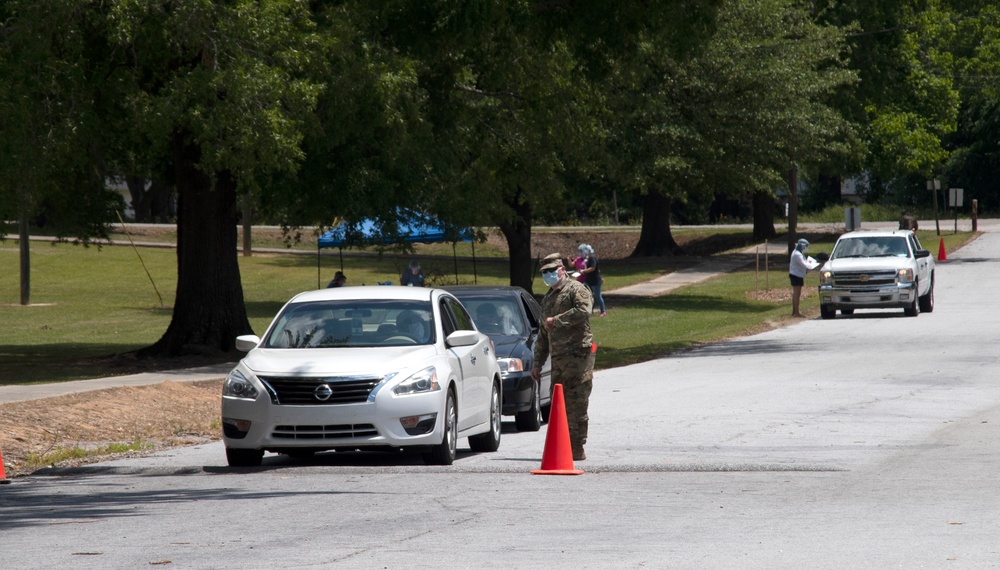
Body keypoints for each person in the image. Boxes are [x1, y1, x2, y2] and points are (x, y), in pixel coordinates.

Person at [530, 254, 595, 461]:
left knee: (576, 404)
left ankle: (576, 447)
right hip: (558, 361)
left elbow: (584, 310)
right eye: (544, 273)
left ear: (561, 269)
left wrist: (557, 320)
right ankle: (561, 445)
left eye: (551, 271)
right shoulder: (548, 299)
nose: (548, 275)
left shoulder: (576, 289)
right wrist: (537, 363)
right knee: (558, 406)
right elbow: (542, 335)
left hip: (578, 359)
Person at [789, 238, 819, 318]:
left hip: (797, 275)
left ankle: (794, 311)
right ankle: (796, 312)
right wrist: (813, 265)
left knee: (796, 293)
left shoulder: (797, 252)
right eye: (806, 245)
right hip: (796, 275)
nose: (806, 247)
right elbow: (805, 264)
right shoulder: (797, 254)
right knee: (797, 294)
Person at [579, 244, 606, 316]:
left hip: (595, 281)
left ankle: (603, 311)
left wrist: (584, 271)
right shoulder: (589, 258)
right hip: (588, 280)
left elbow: (593, 268)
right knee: (584, 292)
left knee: (597, 296)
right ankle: (589, 309)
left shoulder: (592, 258)